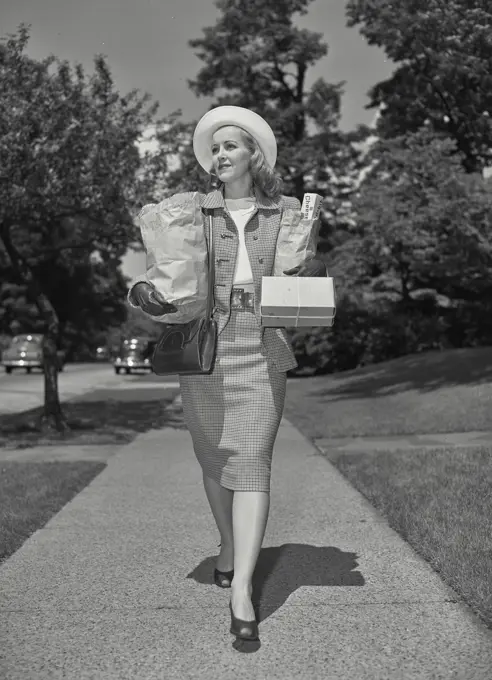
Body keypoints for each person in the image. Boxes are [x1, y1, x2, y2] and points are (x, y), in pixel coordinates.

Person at [128, 106, 327, 641]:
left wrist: (305, 262)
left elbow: (300, 277)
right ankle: (227, 543)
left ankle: (243, 586)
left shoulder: (288, 211)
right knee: (215, 457)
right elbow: (168, 274)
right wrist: (150, 294)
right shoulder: (191, 210)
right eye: (214, 148)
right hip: (207, 346)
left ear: (252, 155)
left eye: (230, 146)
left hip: (263, 344)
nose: (219, 156)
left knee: (254, 459)